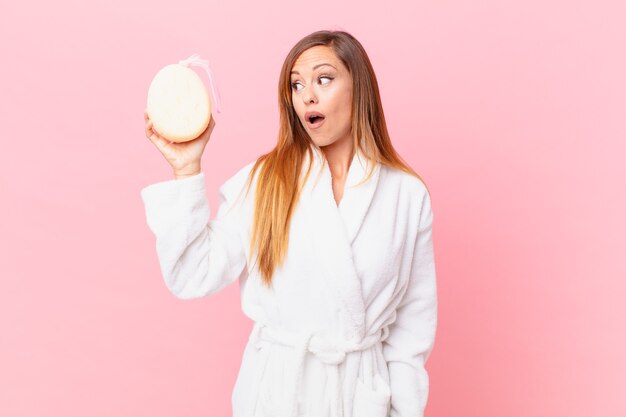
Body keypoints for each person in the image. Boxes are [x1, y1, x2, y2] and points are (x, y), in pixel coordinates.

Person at [141, 29, 438, 417]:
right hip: (277, 394)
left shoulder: (405, 195)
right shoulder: (265, 181)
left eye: (324, 79)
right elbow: (191, 273)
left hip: (360, 398)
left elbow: (411, 331)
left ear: (359, 87)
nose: (307, 95)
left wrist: (403, 410)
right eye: (296, 85)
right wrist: (186, 169)